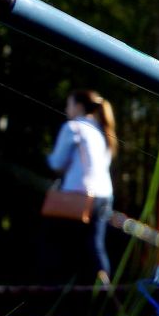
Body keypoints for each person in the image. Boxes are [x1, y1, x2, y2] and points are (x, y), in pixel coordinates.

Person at [45, 89, 116, 285]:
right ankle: (103, 294)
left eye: (69, 104)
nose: (67, 109)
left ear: (78, 106)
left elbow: (57, 163)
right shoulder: (102, 130)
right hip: (104, 194)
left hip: (77, 196)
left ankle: (72, 296)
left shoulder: (73, 127)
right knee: (95, 246)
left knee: (69, 248)